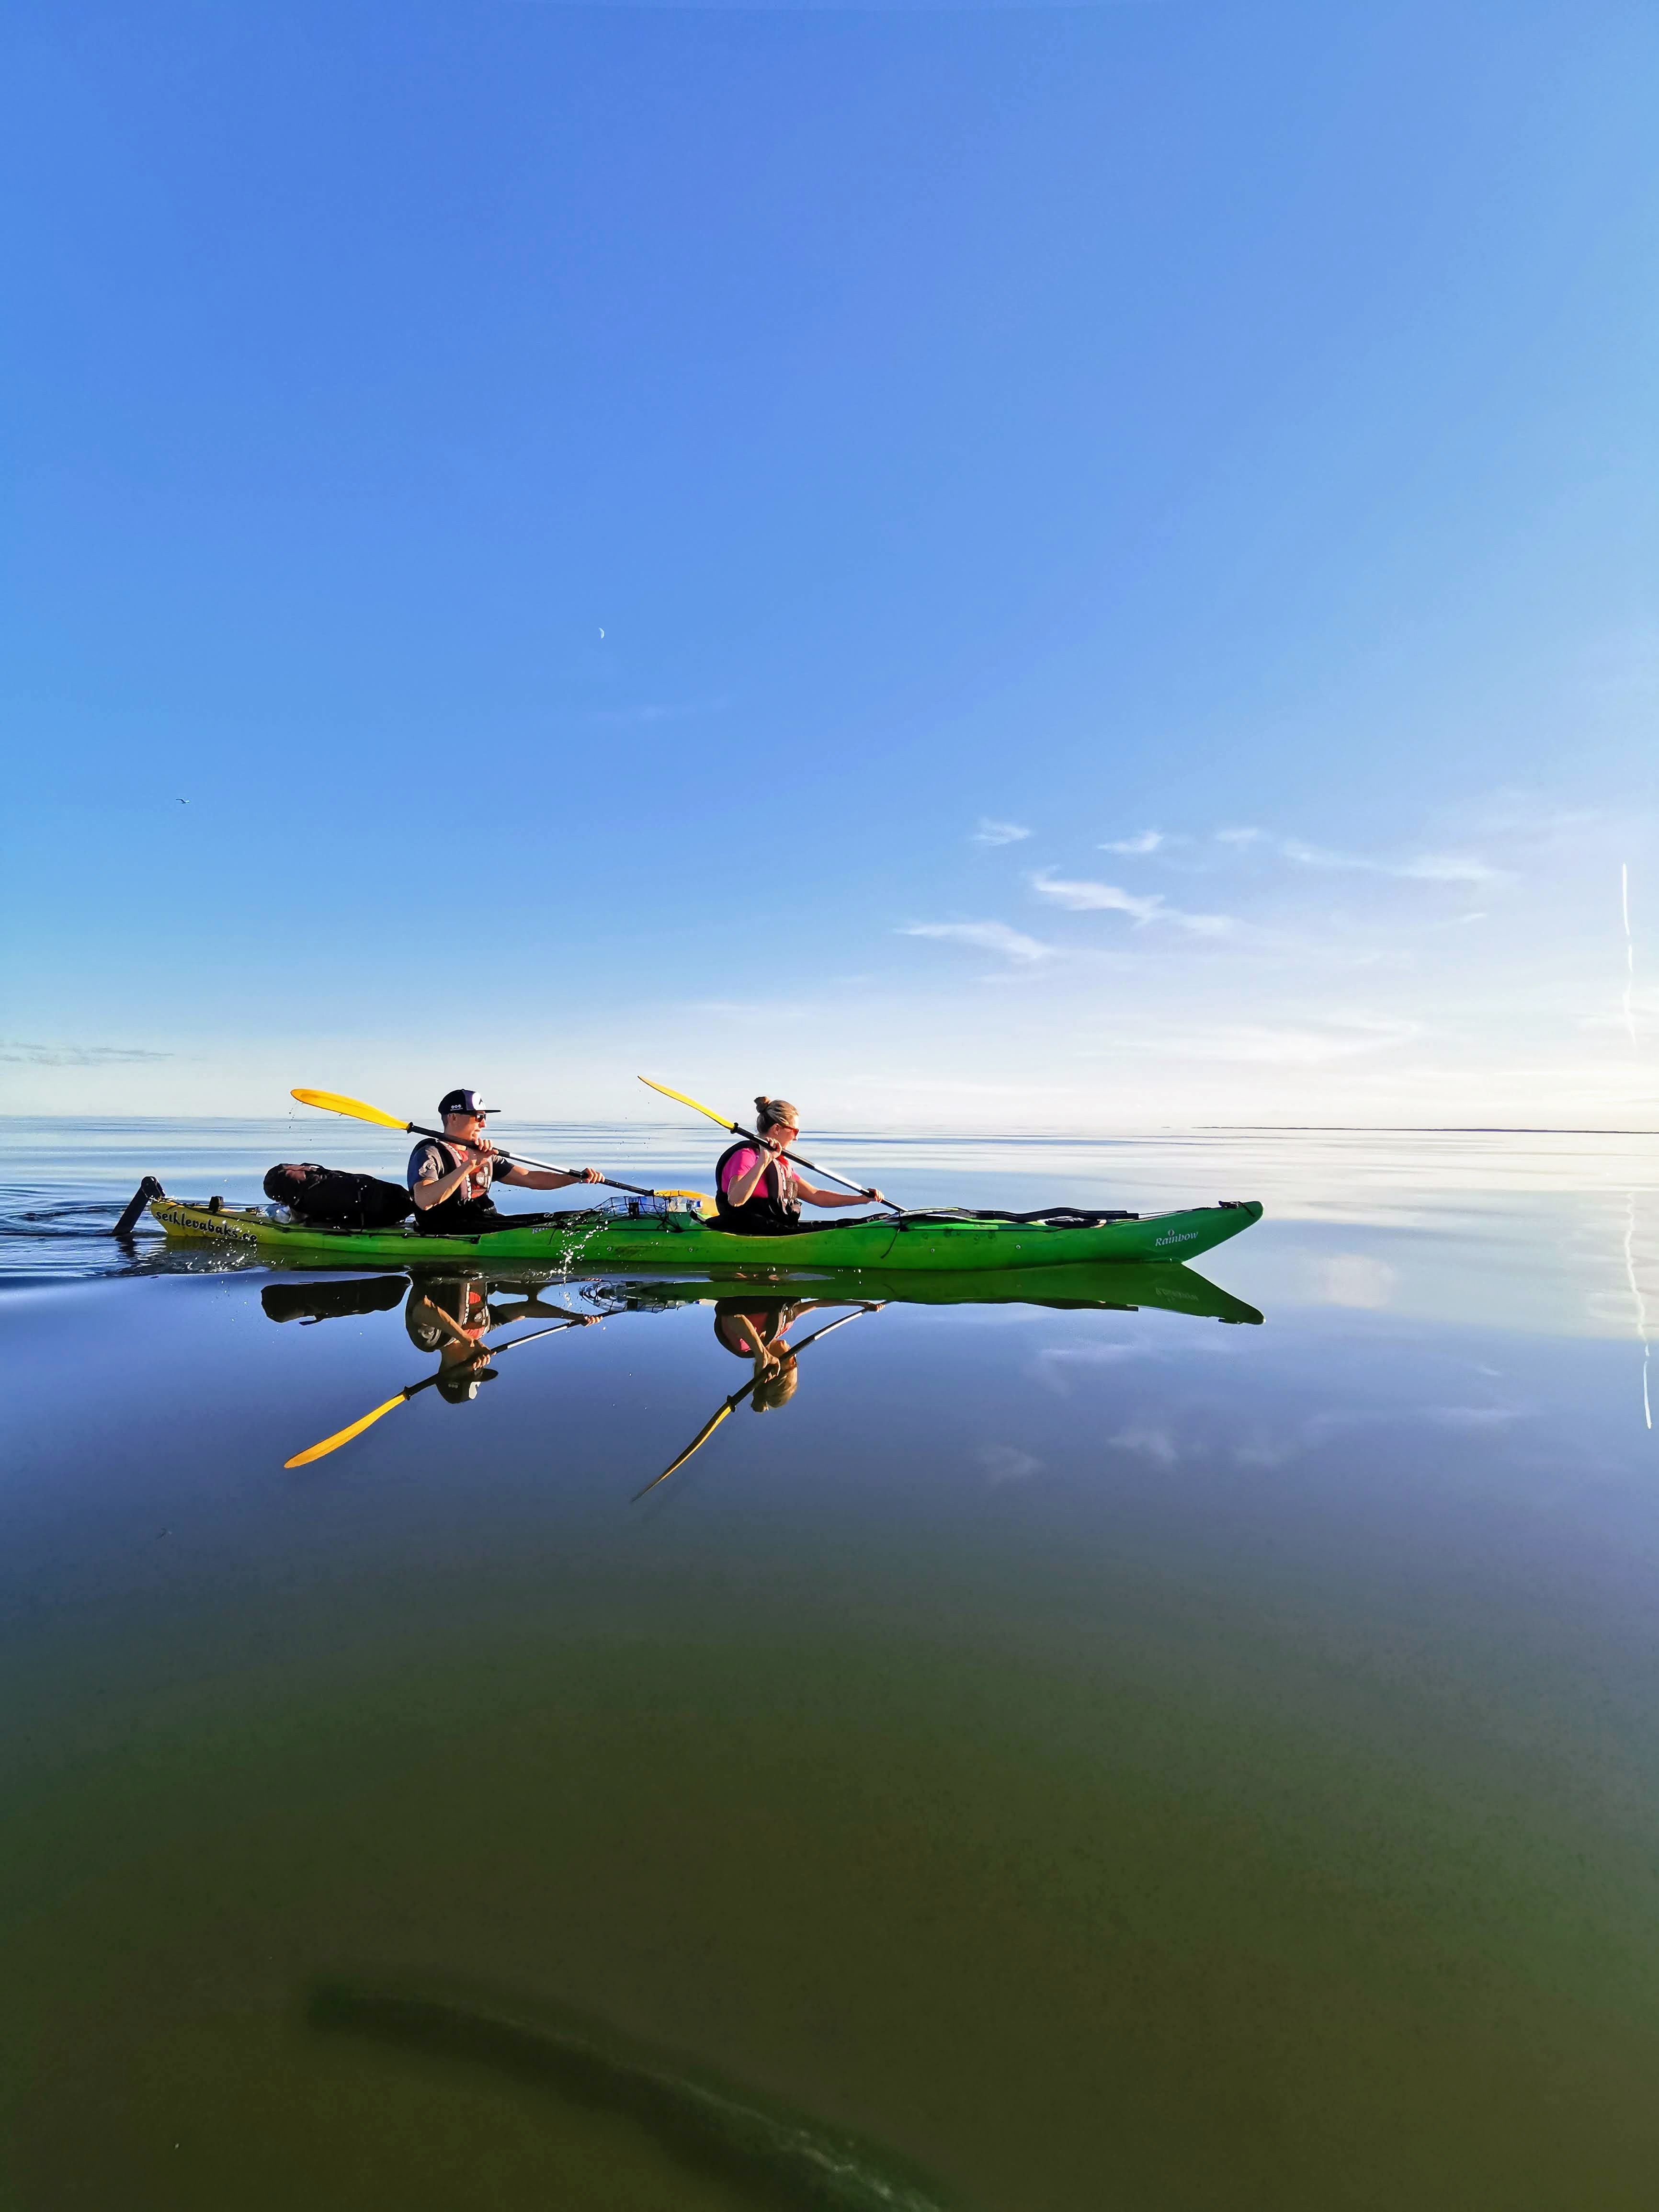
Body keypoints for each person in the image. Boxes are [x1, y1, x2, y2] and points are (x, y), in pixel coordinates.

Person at [408, 1089, 602, 1237]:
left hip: (484, 1223)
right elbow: (424, 1201)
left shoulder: (485, 1155)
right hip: (446, 1229)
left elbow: (531, 1179)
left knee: (565, 1218)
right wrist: (470, 1165)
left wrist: (574, 1178)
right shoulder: (430, 1153)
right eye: (479, 1117)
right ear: (453, 1117)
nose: (484, 1124)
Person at [712, 1097, 883, 1234]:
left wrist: (862, 1200)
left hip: (775, 1230)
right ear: (777, 1129)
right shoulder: (745, 1157)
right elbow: (735, 1200)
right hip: (745, 1231)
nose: (796, 1138)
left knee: (856, 1223)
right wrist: (764, 1161)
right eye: (795, 1131)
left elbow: (816, 1196)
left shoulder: (780, 1163)